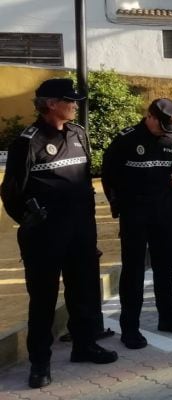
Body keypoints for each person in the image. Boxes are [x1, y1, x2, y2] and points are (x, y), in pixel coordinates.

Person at [1, 78, 118, 388]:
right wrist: (32, 220)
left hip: (80, 231)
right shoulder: (28, 141)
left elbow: (82, 182)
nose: (75, 104)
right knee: (43, 299)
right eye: (70, 100)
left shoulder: (78, 133)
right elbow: (11, 193)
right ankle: (40, 362)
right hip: (44, 237)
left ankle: (84, 345)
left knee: (83, 292)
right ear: (51, 103)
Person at [102, 98, 172, 349]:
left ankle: (168, 318)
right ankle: (130, 327)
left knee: (166, 269)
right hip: (135, 216)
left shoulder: (170, 139)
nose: (165, 130)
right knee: (133, 272)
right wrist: (118, 206)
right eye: (162, 125)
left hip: (164, 216)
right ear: (150, 116)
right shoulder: (126, 139)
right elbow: (108, 176)